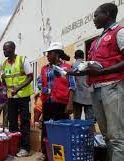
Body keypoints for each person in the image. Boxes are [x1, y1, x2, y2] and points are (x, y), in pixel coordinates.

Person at [68, 3, 124, 161]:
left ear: (107, 14)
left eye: (96, 15)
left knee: (117, 136)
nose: (93, 19)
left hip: (113, 86)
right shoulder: (96, 40)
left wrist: (103, 71)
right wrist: (76, 72)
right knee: (106, 135)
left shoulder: (119, 33)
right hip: (96, 89)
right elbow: (93, 66)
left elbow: (104, 68)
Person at [39, 42, 75, 161]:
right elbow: (39, 82)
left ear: (56, 54)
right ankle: (45, 153)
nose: (47, 56)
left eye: (49, 53)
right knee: (46, 128)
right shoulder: (44, 68)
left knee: (61, 129)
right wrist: (43, 88)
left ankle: (60, 155)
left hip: (61, 103)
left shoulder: (67, 68)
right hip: (47, 102)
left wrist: (70, 104)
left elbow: (72, 86)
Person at [72, 50, 94, 120]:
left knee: (77, 118)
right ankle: (89, 131)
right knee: (89, 120)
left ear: (75, 57)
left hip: (77, 96)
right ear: (83, 56)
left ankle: (78, 131)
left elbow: (72, 81)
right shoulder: (87, 64)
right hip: (88, 95)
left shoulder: (73, 65)